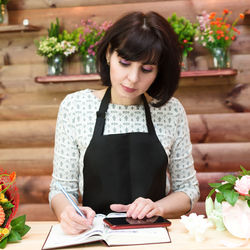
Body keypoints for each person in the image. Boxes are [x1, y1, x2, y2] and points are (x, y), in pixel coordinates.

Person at [49, 11, 200, 235]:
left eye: (146, 69)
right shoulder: (75, 107)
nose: (132, 78)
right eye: (125, 63)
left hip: (155, 235)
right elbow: (61, 190)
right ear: (109, 54)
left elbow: (188, 190)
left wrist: (158, 207)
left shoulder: (171, 110)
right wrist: (67, 213)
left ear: (159, 71)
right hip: (95, 235)